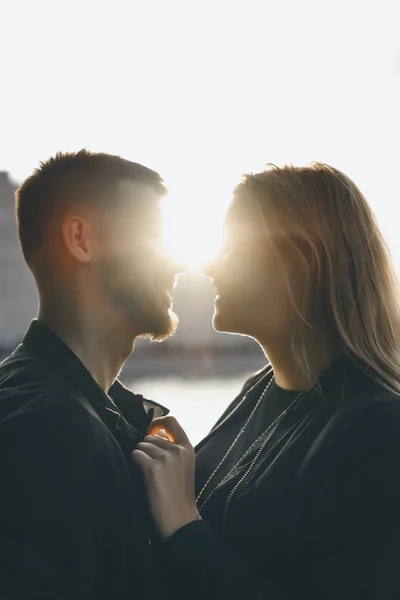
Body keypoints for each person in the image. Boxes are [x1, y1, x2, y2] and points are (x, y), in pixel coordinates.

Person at [133, 163, 400, 600]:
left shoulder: (381, 432)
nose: (209, 265)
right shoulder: (258, 391)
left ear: (303, 261)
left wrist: (183, 525)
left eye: (232, 246)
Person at [0, 150, 183, 599]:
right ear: (80, 238)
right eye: (153, 237)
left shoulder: (109, 416)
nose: (176, 264)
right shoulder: (42, 432)